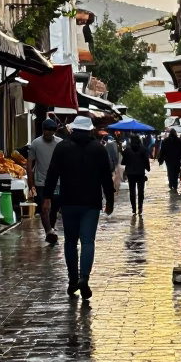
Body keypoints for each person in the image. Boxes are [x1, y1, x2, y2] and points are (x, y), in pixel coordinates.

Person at [42, 115, 114, 299]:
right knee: (88, 241)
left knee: (70, 242)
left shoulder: (62, 147)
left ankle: (73, 279)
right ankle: (84, 278)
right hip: (91, 203)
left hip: (69, 201)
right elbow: (106, 177)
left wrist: (47, 197)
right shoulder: (98, 148)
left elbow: (52, 173)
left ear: (73, 129)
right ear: (90, 129)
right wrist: (110, 201)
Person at [27, 117, 62, 244]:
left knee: (55, 207)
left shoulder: (60, 143)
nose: (49, 133)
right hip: (41, 182)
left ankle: (51, 228)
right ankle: (48, 231)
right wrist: (31, 183)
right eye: (47, 130)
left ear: (55, 131)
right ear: (43, 130)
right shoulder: (36, 143)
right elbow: (29, 163)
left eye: (52, 130)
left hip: (57, 182)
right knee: (43, 207)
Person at [121, 134, 151, 216]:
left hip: (130, 173)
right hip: (140, 173)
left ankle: (133, 208)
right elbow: (146, 161)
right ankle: (140, 208)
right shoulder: (143, 149)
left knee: (132, 191)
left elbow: (123, 162)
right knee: (141, 191)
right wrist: (148, 168)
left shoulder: (127, 150)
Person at [158, 128, 181, 192]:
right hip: (177, 159)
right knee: (176, 172)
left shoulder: (165, 141)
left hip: (169, 160)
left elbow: (162, 151)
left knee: (170, 171)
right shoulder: (179, 141)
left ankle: (171, 184)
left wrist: (161, 159)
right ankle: (175, 185)